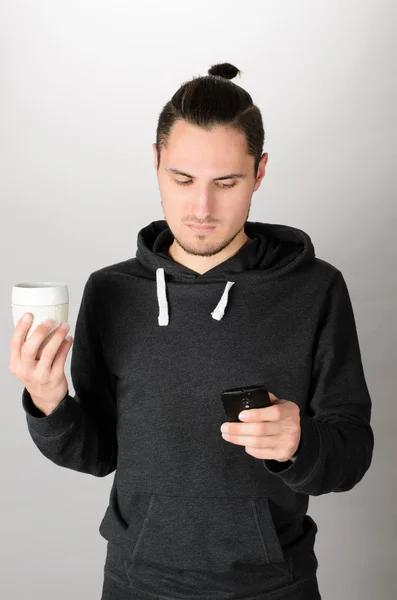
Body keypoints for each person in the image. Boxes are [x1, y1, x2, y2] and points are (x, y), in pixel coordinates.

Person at [10, 62, 374, 600]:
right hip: (138, 583)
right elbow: (97, 453)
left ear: (261, 171)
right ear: (155, 163)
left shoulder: (315, 289)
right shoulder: (110, 291)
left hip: (274, 584)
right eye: (182, 180)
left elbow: (352, 454)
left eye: (226, 183)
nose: (202, 209)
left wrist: (301, 442)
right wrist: (48, 403)